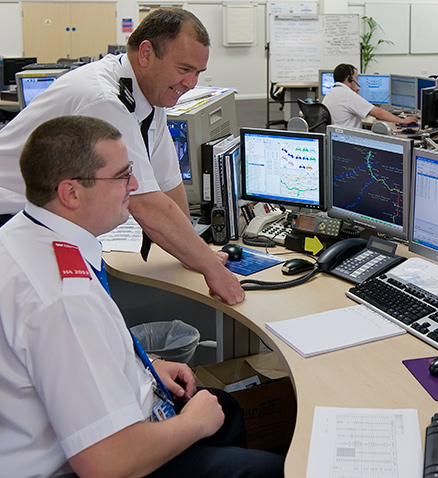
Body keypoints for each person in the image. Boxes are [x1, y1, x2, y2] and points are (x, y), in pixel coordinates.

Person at [0, 115, 285, 478]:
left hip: (82, 433)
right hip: (101, 462)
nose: (134, 185)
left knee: (224, 408)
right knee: (267, 468)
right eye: (122, 176)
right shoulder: (61, 300)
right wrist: (195, 424)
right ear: (70, 193)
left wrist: (141, 365)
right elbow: (108, 464)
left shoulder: (26, 235)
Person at [0, 7, 245, 306]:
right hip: (13, 215)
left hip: (47, 215)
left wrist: (195, 255)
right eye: (183, 70)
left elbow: (167, 181)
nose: (191, 83)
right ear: (146, 54)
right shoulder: (105, 99)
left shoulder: (148, 97)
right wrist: (209, 267)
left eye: (197, 72)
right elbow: (144, 203)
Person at [322, 63, 419, 129]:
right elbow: (378, 113)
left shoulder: (331, 93)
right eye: (356, 78)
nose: (357, 81)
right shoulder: (347, 95)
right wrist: (403, 120)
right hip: (349, 141)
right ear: (350, 79)